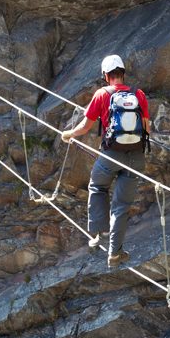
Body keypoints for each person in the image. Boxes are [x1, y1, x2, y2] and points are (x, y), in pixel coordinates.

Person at [61, 55, 150, 269]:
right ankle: (115, 253)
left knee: (98, 186)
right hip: (136, 157)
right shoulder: (138, 94)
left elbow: (85, 126)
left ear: (106, 76)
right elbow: (146, 129)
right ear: (123, 73)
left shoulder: (102, 94)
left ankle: (100, 231)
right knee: (122, 206)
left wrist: (69, 134)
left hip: (111, 154)